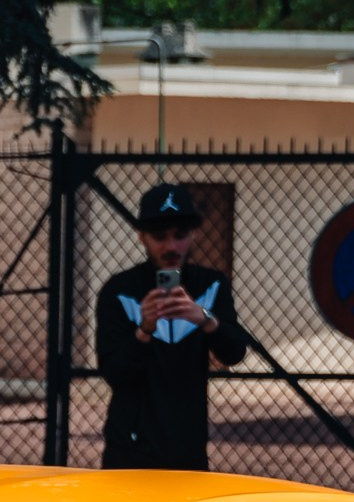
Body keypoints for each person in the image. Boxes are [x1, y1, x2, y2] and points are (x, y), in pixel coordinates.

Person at [94, 185, 249, 470]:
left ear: (194, 234)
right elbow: (114, 372)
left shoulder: (210, 285)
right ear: (142, 237)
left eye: (180, 235)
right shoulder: (119, 290)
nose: (171, 247)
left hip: (188, 448)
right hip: (129, 449)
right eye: (159, 237)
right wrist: (143, 331)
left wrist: (204, 318)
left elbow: (235, 352)